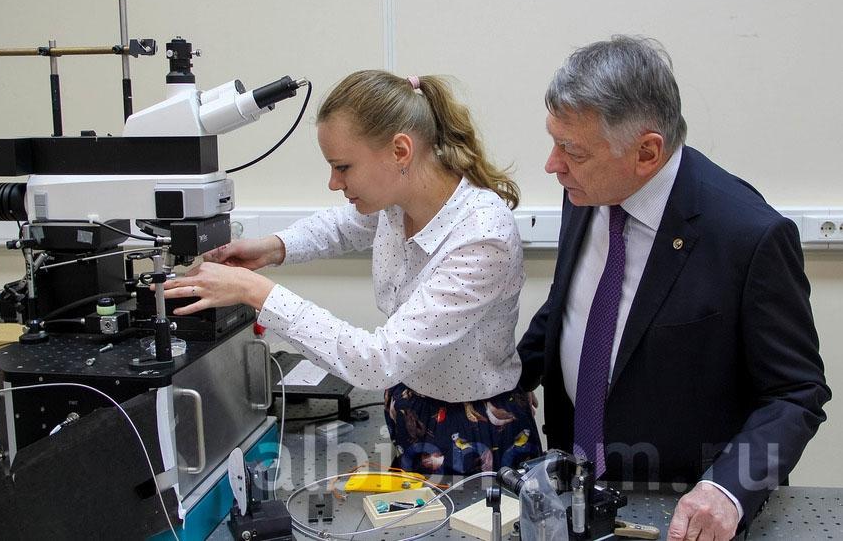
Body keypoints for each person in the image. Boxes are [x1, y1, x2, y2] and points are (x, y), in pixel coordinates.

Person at [516, 36, 830, 540]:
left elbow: (795, 393)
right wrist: (511, 374)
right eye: (555, 142)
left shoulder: (747, 236)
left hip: (682, 509)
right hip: (578, 492)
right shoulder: (588, 189)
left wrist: (727, 490)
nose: (553, 165)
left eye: (571, 150)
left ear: (646, 152)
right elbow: (574, 305)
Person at [162, 70, 542, 475]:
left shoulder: (482, 235)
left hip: (475, 429)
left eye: (342, 167)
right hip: (411, 406)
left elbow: (377, 361)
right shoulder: (399, 203)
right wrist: (271, 249)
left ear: (400, 151)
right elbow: (339, 228)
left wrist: (256, 292)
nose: (333, 182)